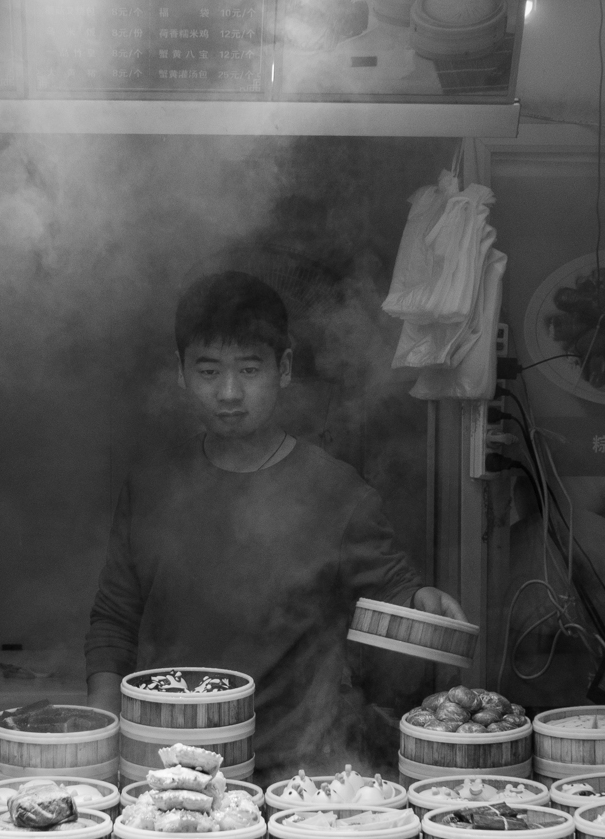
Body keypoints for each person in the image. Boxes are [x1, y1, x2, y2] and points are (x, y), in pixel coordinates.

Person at [86, 271, 466, 778]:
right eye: (207, 371)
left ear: (283, 368)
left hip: (300, 774)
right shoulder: (152, 487)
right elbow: (114, 622)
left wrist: (423, 605)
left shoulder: (337, 493)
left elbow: (395, 595)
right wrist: (102, 741)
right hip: (167, 770)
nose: (228, 392)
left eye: (249, 369)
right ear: (180, 372)